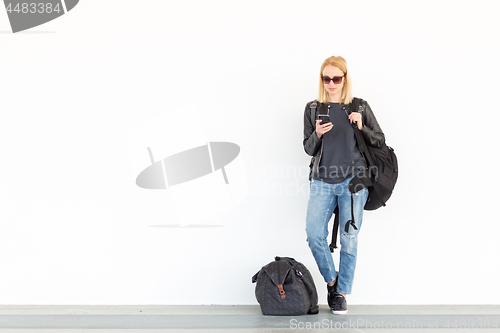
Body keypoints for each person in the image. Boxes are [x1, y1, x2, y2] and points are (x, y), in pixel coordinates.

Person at [302, 56, 385, 314]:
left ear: (344, 79)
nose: (331, 83)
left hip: (354, 181)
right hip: (322, 180)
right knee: (314, 234)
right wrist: (317, 134)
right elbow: (307, 148)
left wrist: (362, 125)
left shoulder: (359, 106)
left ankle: (340, 294)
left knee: (349, 238)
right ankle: (332, 281)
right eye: (326, 78)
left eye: (336, 78)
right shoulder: (313, 108)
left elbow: (379, 140)